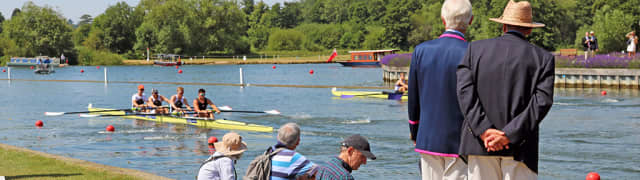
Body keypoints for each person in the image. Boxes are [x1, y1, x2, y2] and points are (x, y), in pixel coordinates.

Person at [456, 1, 554, 180]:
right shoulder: (543, 59)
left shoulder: (474, 50)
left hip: (479, 145)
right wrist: (508, 135)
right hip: (521, 149)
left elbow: (465, 94)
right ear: (529, 29)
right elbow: (541, 103)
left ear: (503, 25)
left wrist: (484, 131)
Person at [407, 0, 472, 179]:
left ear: (443, 20)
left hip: (427, 139)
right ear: (471, 20)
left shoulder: (420, 51)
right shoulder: (474, 52)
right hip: (461, 142)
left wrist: (415, 131)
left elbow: (413, 99)